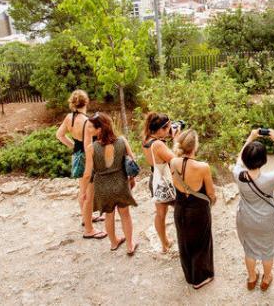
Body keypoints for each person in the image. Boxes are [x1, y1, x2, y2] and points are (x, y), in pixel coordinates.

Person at [234, 128, 274, 291]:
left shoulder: (237, 174)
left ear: (245, 158)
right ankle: (266, 279)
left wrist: (250, 137)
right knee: (267, 252)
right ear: (264, 160)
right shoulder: (269, 178)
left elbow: (239, 159)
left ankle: (252, 278)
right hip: (266, 220)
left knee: (249, 250)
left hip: (245, 219)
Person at [81, 113, 138, 252]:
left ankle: (114, 243)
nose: (89, 130)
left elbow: (88, 173)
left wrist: (83, 192)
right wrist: (132, 179)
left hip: (102, 186)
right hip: (121, 182)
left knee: (109, 215)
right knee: (125, 214)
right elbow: (132, 160)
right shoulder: (122, 141)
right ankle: (130, 245)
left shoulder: (91, 148)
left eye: (91, 127)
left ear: (99, 129)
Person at [170, 129, 217, 289]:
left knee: (184, 241)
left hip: (180, 207)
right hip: (198, 210)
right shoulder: (203, 167)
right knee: (201, 243)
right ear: (195, 146)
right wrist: (213, 201)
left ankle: (189, 275)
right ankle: (200, 278)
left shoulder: (173, 162)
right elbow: (210, 192)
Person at [55, 90, 100, 224]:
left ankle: (86, 217)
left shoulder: (69, 118)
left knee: (83, 187)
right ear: (86, 102)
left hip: (77, 154)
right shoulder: (87, 121)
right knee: (88, 190)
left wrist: (73, 145)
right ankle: (88, 222)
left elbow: (59, 135)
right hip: (88, 156)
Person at [141, 112, 178, 253]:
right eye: (168, 127)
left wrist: (166, 136)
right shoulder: (158, 145)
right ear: (161, 129)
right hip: (166, 181)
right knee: (181, 210)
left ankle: (164, 244)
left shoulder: (147, 140)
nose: (170, 130)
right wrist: (175, 139)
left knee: (160, 214)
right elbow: (176, 160)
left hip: (155, 179)